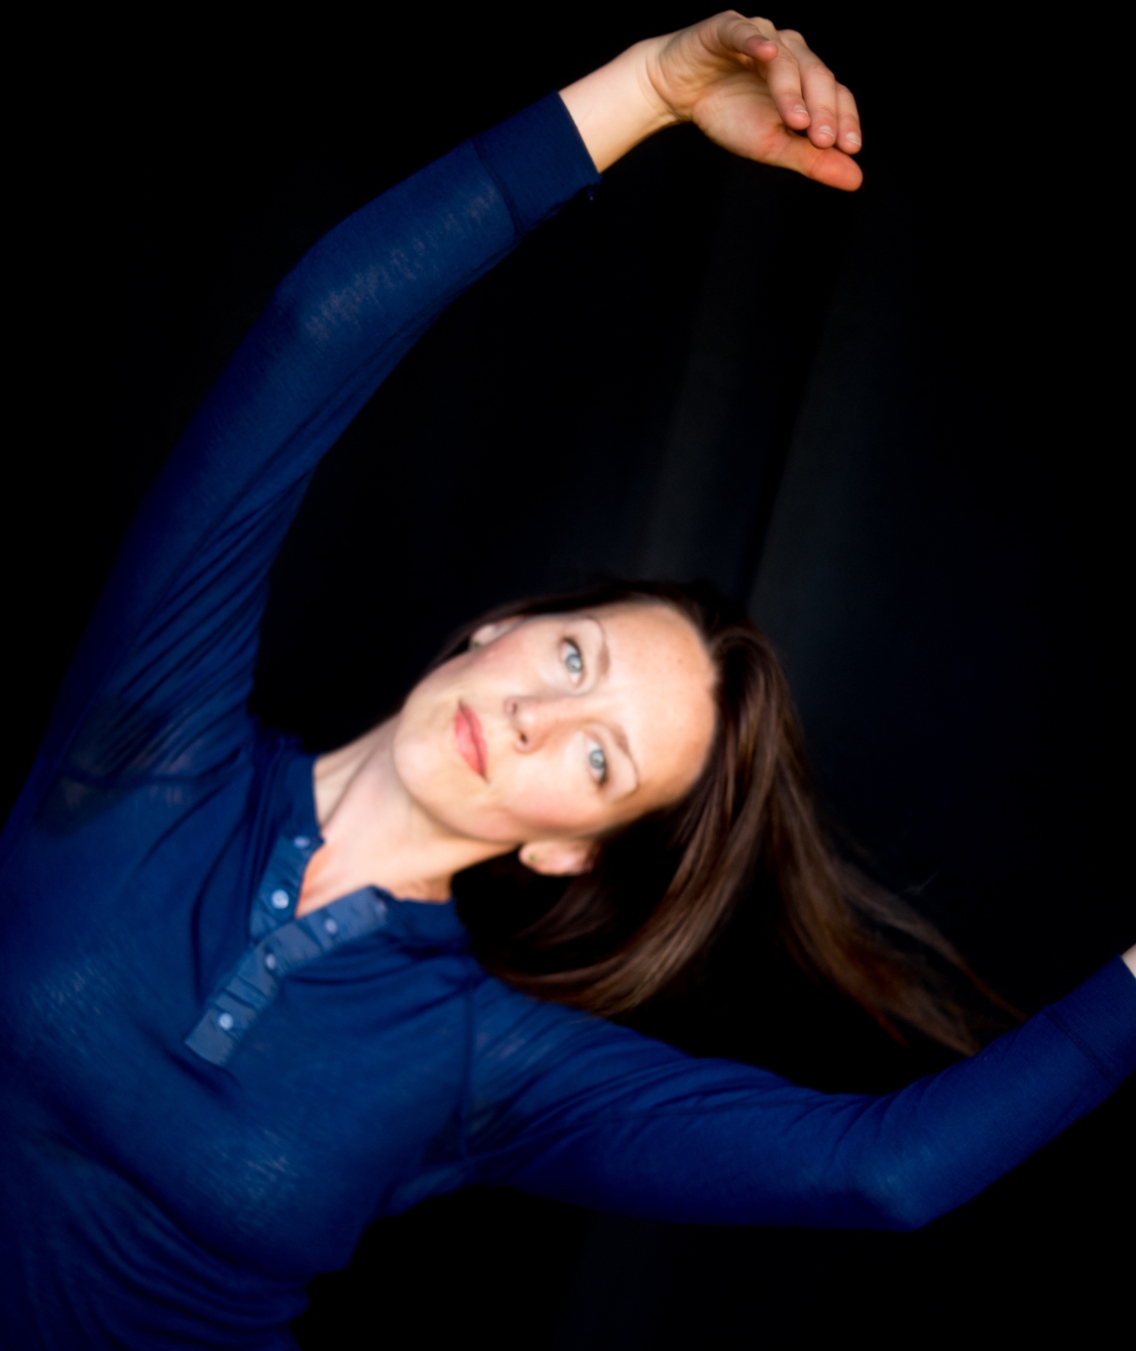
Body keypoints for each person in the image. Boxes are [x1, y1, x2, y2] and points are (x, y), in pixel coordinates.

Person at [1, 12, 1132, 1349]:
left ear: (569, 849)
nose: (541, 721)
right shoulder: (152, 750)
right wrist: (646, 90)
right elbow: (313, 330)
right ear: (502, 627)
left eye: (601, 760)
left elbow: (879, 1172)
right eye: (574, 657)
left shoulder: (483, 1062)